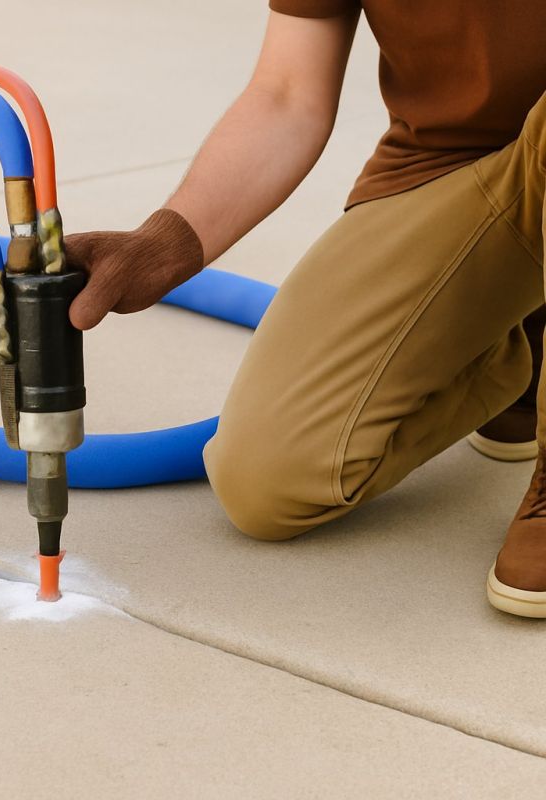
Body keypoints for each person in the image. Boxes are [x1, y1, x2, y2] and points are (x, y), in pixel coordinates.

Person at [63, 3, 546, 619]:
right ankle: (515, 345)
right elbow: (288, 92)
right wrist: (165, 245)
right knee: (265, 482)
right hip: (456, 172)